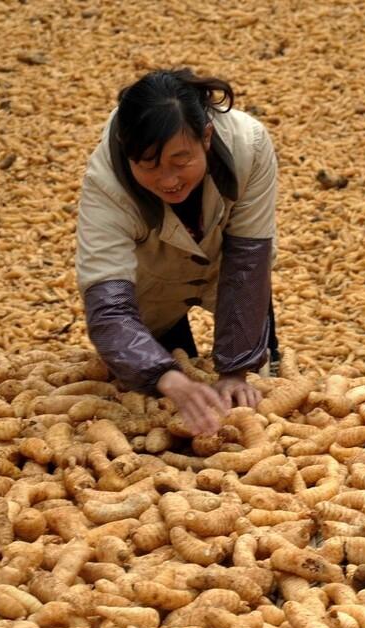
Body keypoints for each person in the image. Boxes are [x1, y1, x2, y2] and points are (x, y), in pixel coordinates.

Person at [76, 68, 279, 436]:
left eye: (180, 162)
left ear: (206, 136)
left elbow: (248, 258)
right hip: (152, 286)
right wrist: (164, 374)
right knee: (163, 392)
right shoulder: (105, 185)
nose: (168, 180)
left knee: (259, 388)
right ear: (126, 149)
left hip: (223, 269)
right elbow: (108, 304)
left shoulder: (249, 145)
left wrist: (235, 371)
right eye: (149, 166)